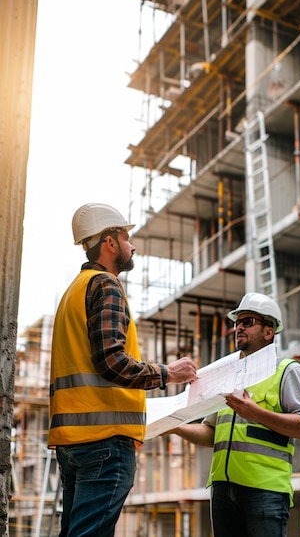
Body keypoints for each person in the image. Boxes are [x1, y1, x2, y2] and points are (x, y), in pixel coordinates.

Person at [47, 202, 197, 537]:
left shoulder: (74, 290)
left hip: (74, 441)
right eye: (126, 236)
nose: (132, 245)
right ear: (110, 242)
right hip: (104, 439)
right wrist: (167, 374)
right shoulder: (106, 285)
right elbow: (111, 361)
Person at [171, 291, 300, 537]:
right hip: (222, 489)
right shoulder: (228, 375)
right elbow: (211, 433)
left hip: (265, 490)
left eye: (248, 322)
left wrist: (256, 412)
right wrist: (175, 427)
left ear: (269, 331)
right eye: (237, 322)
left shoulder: (287, 371)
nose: (239, 327)